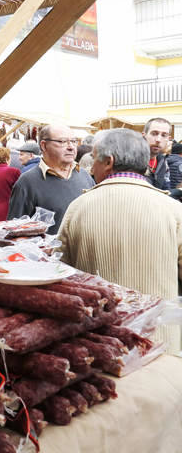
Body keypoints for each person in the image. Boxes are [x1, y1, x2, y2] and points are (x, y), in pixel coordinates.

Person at [58, 129, 182, 352]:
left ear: (109, 162)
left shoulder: (78, 207)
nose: (91, 168)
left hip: (97, 345)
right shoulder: (174, 210)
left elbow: (61, 272)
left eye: (94, 160)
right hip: (160, 342)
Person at [7, 124, 94, 234]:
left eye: (73, 141)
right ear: (44, 146)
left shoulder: (84, 176)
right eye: (62, 142)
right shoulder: (27, 183)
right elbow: (15, 232)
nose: (71, 147)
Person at [143, 117, 172, 190]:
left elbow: (166, 189)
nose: (158, 140)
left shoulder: (163, 162)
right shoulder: (131, 161)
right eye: (154, 134)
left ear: (168, 139)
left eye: (164, 135)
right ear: (144, 135)